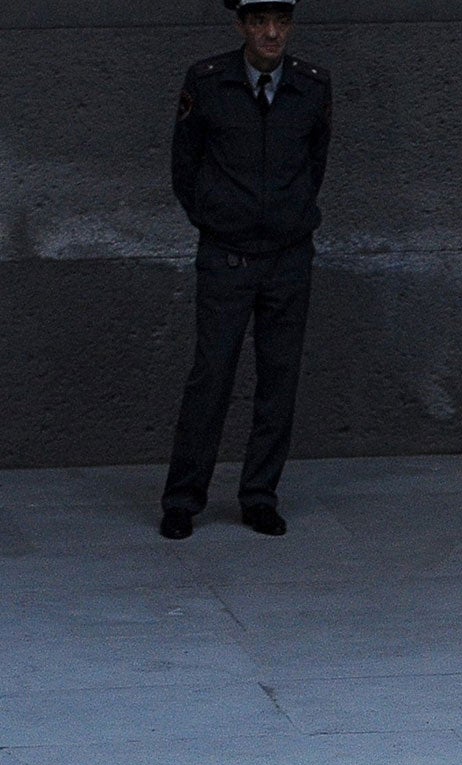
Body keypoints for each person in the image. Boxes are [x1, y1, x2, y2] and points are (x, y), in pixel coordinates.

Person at [160, 0, 331, 542]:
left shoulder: (312, 86)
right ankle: (183, 499)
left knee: (279, 379)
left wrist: (288, 217)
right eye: (259, 21)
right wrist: (216, 218)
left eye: (281, 21)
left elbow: (315, 164)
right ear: (241, 26)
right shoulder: (207, 82)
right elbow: (183, 165)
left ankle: (259, 495)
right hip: (226, 258)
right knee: (211, 376)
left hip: (288, 258)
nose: (272, 33)